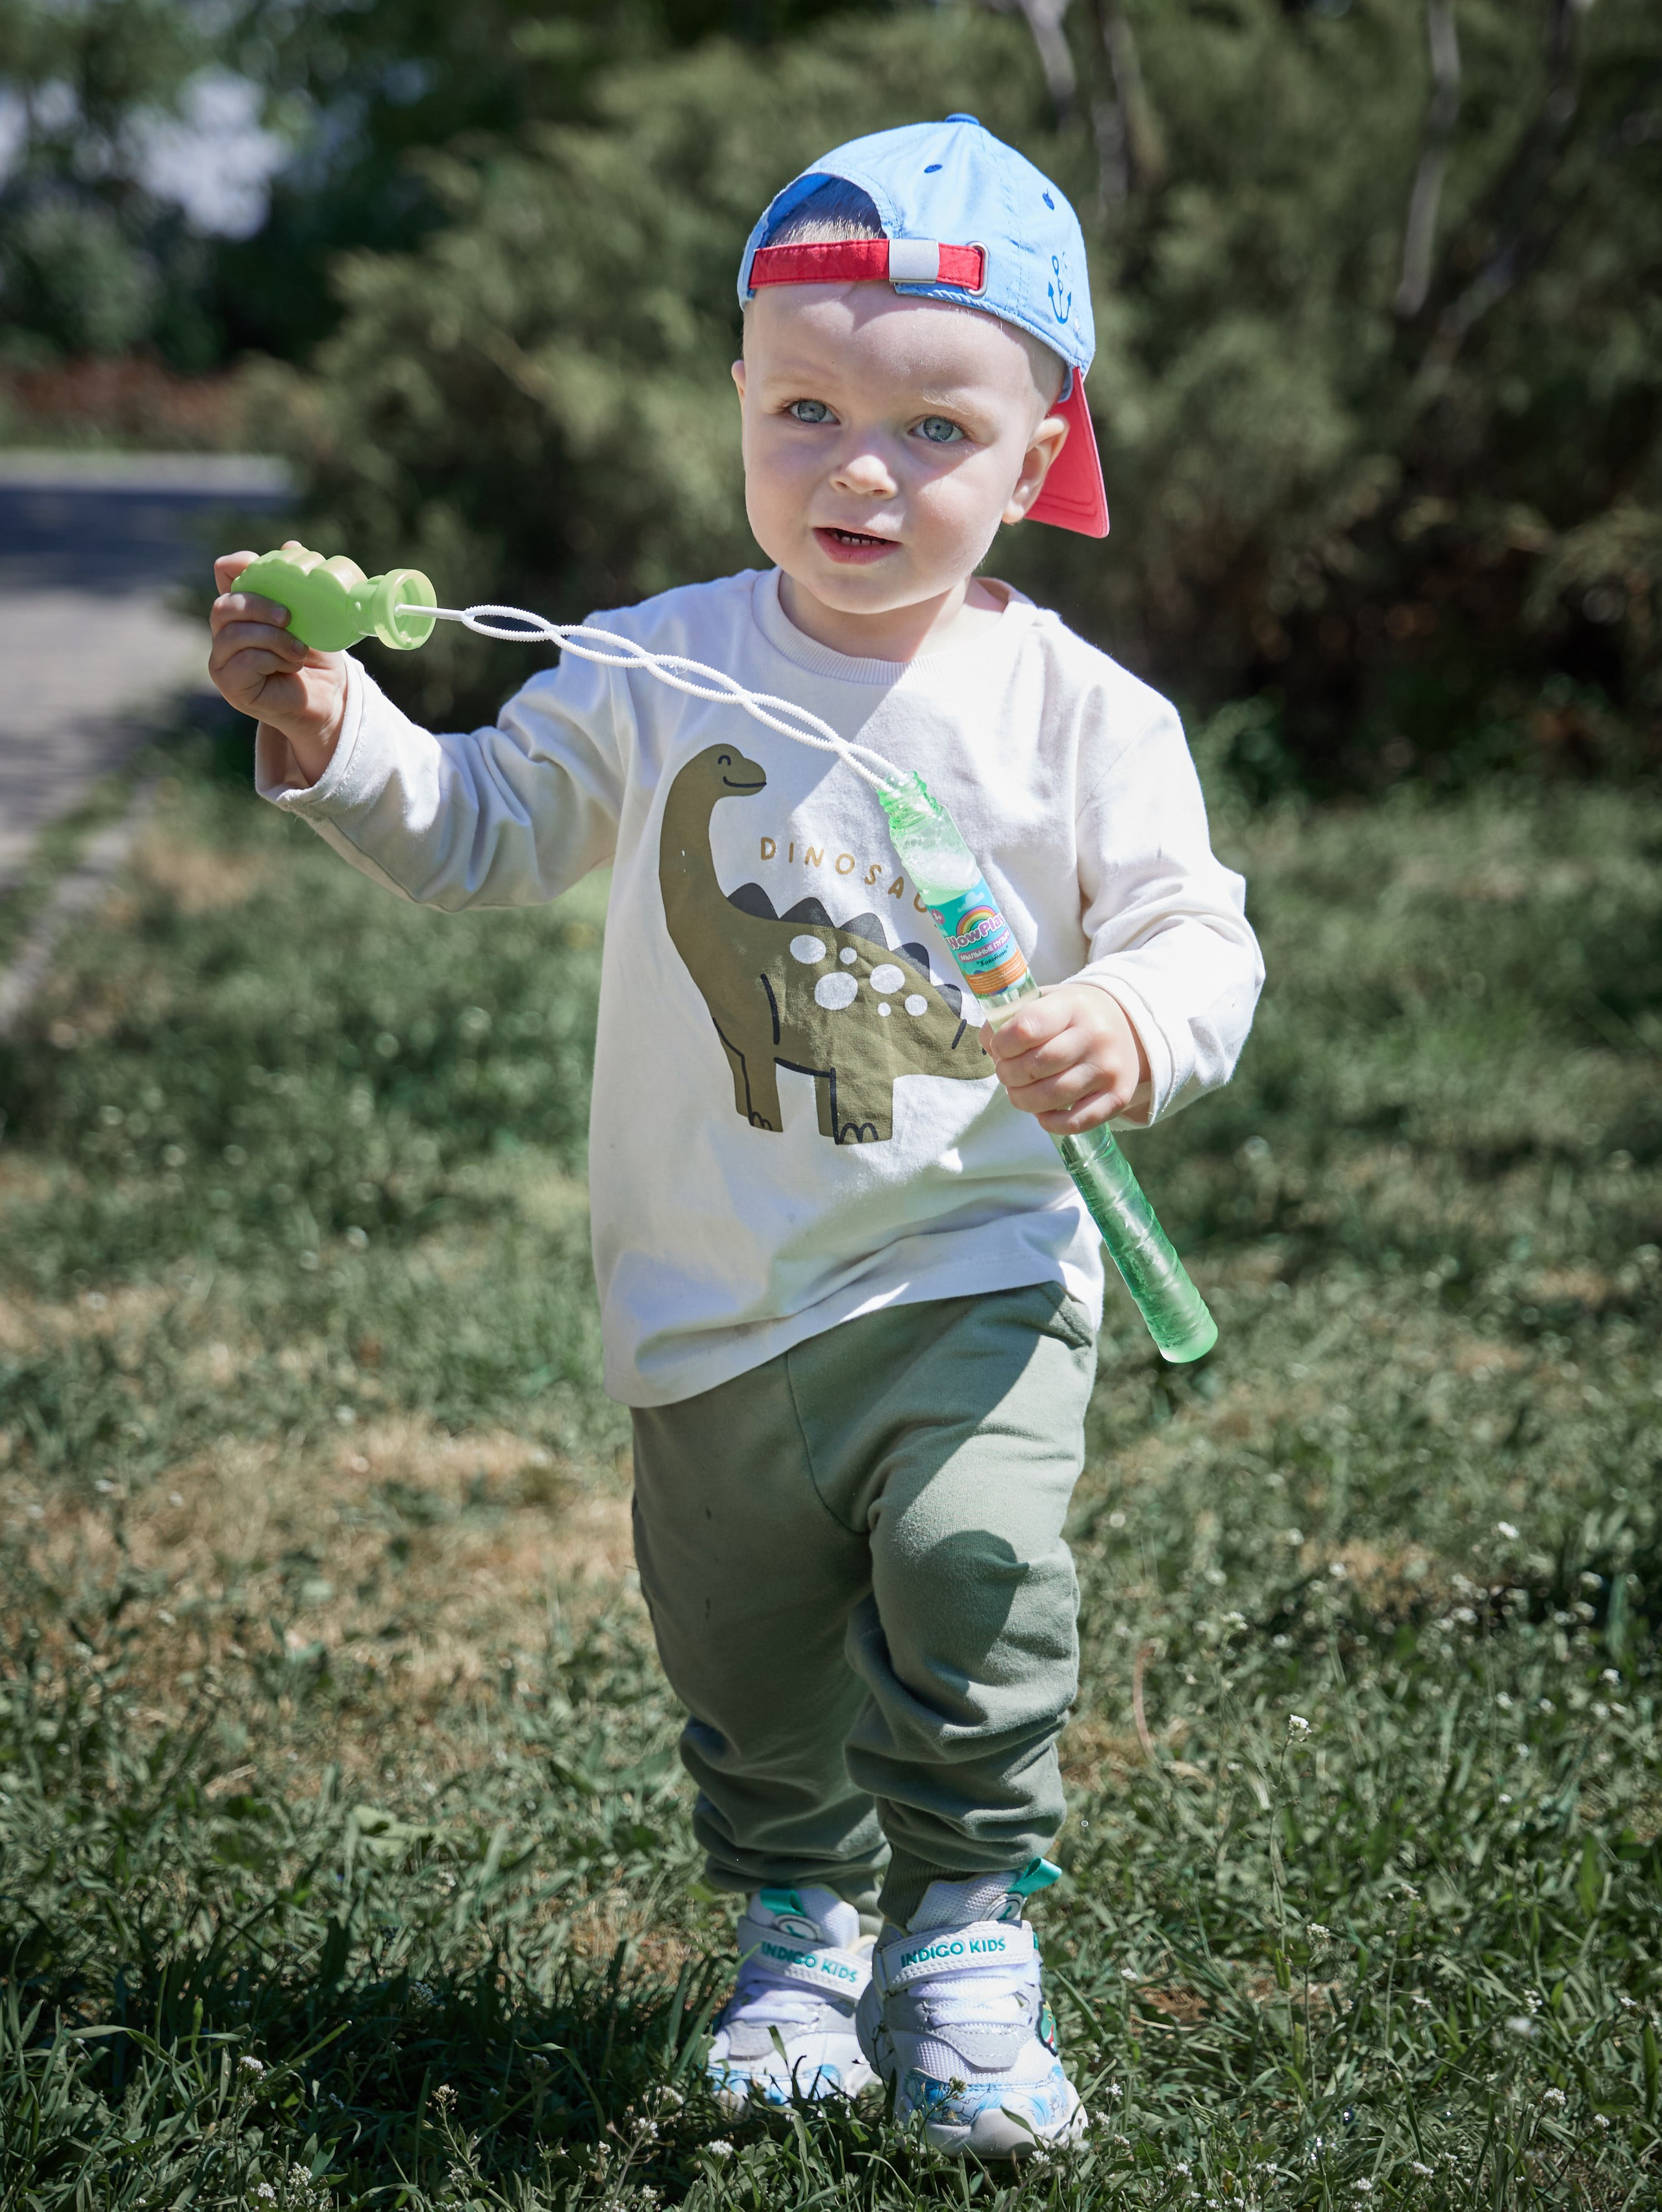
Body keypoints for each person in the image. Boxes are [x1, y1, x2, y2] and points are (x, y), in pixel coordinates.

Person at [208, 116, 1263, 2157]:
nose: (858, 469)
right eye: (805, 409)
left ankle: (965, 1927)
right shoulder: (663, 659)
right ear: (739, 404)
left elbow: (1191, 924)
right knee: (749, 1646)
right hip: (708, 1290)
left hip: (969, 1261)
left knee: (976, 1563)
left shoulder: (1080, 715)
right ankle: (800, 1929)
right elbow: (486, 830)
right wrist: (342, 737)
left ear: (1037, 459)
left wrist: (1132, 1014)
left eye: (932, 430)